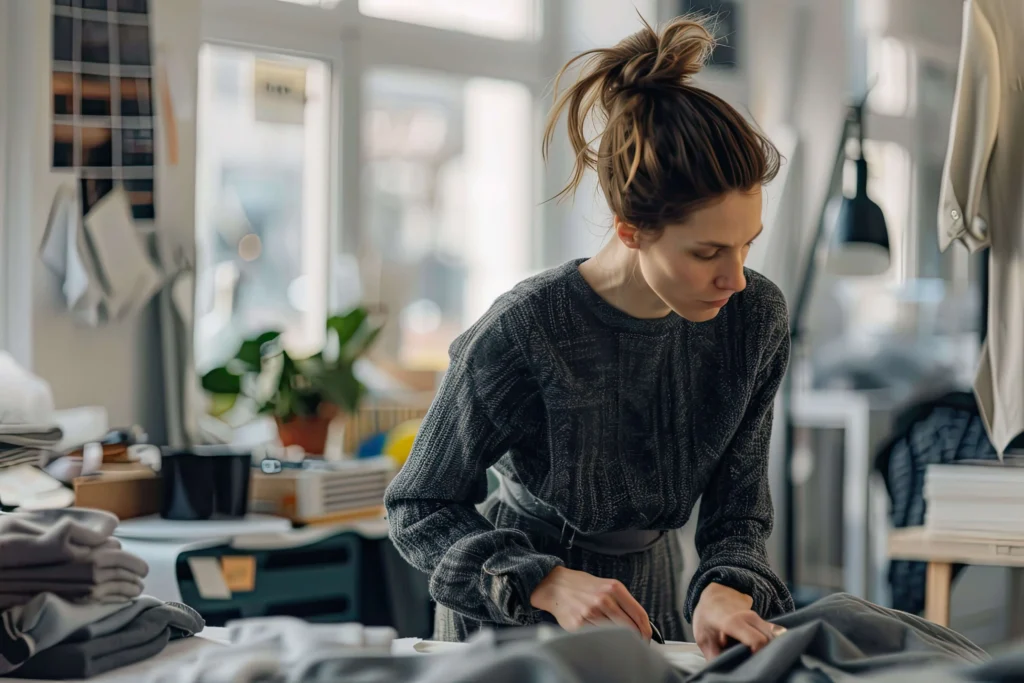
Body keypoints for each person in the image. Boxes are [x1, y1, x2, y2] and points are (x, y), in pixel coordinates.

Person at [384, 14, 793, 658]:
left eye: (747, 245)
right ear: (631, 228)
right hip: (505, 626)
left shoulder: (754, 320)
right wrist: (543, 580)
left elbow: (739, 510)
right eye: (709, 251)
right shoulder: (522, 331)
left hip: (652, 606)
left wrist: (725, 587)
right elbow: (419, 505)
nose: (734, 278)